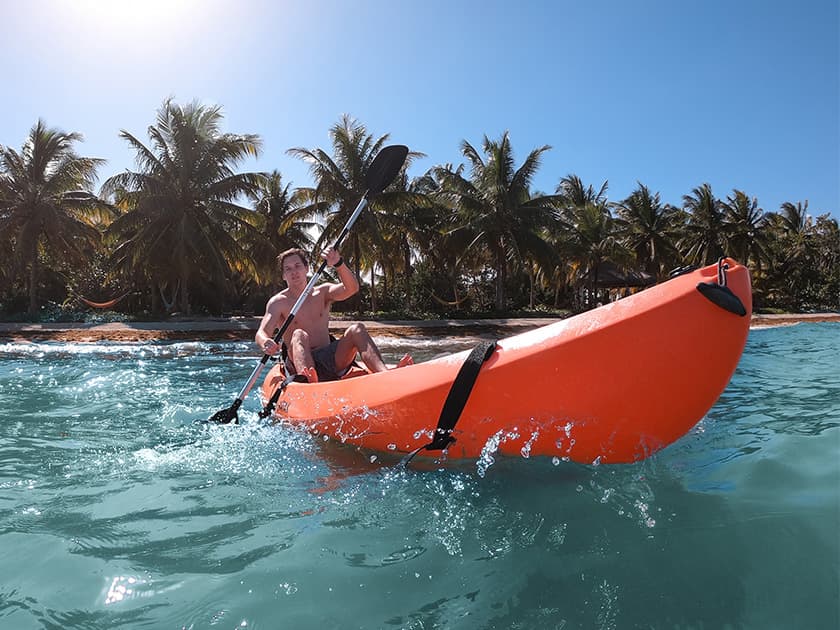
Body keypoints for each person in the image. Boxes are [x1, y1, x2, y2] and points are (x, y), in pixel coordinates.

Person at [255, 246, 413, 383]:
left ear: (307, 268)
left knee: (357, 329)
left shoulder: (322, 293)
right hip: (299, 360)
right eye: (288, 269)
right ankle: (310, 382)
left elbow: (351, 288)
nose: (294, 272)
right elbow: (262, 332)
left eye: (297, 266)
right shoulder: (278, 302)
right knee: (298, 334)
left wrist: (338, 263)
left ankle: (384, 375)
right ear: (283, 275)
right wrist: (265, 342)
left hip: (331, 358)